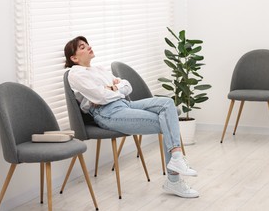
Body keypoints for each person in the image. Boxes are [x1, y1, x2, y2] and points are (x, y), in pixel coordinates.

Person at [64, 36, 199, 198]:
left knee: (167, 103)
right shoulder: (75, 74)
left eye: (87, 44)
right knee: (166, 122)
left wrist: (113, 88)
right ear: (74, 58)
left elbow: (127, 86)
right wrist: (115, 88)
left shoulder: (98, 69)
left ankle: (176, 157)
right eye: (82, 47)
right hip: (108, 113)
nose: (89, 47)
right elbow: (101, 97)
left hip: (124, 105)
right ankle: (174, 180)